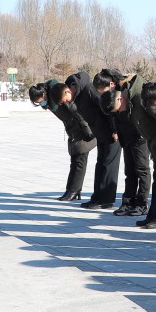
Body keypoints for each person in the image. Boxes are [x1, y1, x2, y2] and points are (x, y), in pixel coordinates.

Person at [100, 78, 156, 229]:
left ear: (120, 97)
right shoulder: (129, 101)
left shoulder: (141, 98)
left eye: (119, 108)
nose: (120, 112)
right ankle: (153, 215)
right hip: (155, 146)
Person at [49, 71, 122, 210]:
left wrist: (115, 130)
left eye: (65, 99)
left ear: (67, 90)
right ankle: (97, 197)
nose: (67, 102)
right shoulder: (78, 95)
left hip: (111, 133)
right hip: (100, 133)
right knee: (100, 165)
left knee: (108, 165)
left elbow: (109, 108)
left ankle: (106, 199)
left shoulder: (89, 89)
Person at [93, 70, 151, 217]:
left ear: (120, 100)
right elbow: (114, 117)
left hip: (140, 136)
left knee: (142, 170)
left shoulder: (137, 94)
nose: (118, 112)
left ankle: (142, 203)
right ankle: (127, 202)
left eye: (118, 110)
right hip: (127, 136)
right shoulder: (115, 94)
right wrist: (116, 131)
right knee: (129, 172)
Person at [29, 80, 96, 201]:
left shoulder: (57, 93)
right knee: (75, 159)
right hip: (73, 129)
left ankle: (74, 190)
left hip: (82, 128)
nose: (42, 104)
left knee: (79, 158)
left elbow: (77, 112)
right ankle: (72, 189)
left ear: (44, 93)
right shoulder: (49, 100)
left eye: (41, 100)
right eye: (39, 103)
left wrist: (88, 131)